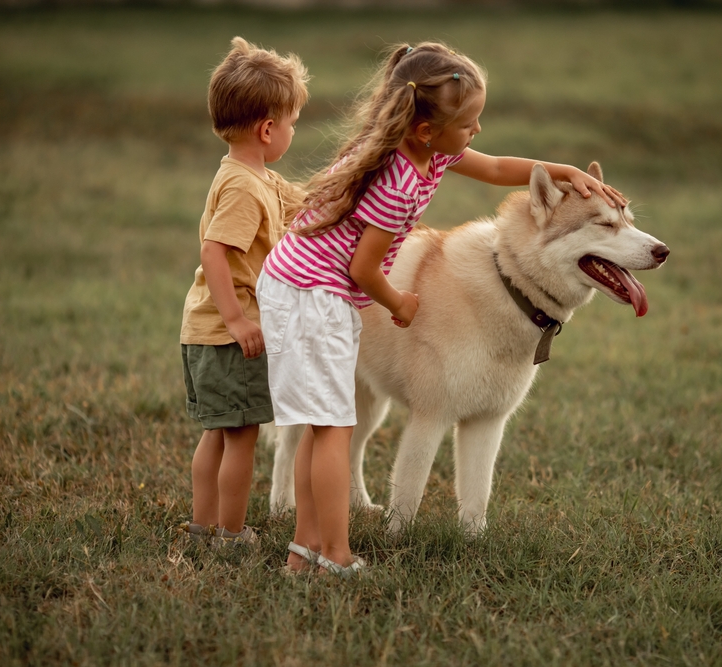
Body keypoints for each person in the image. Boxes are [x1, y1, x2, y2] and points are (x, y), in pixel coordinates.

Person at [257, 42, 626, 575]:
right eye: (470, 121)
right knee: (333, 427)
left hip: (309, 286)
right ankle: (325, 552)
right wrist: (399, 303)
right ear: (426, 130)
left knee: (329, 425)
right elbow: (364, 268)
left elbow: (499, 167)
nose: (477, 131)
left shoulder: (429, 148)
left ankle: (304, 552)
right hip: (311, 294)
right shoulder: (398, 182)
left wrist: (564, 170)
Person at [178, 37, 308, 548]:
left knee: (217, 432)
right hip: (229, 335)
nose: (294, 132)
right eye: (293, 123)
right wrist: (237, 320)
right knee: (241, 439)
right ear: (268, 128)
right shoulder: (244, 188)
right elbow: (214, 252)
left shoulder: (255, 177)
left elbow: (307, 202)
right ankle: (231, 535)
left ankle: (202, 527)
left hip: (205, 331)